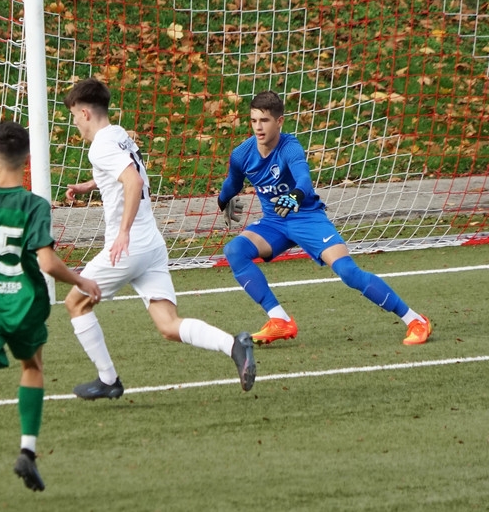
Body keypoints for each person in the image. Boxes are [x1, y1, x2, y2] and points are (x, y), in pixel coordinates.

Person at [62, 77, 256, 401]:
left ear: (84, 113)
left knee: (75, 302)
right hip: (151, 244)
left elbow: (133, 182)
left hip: (129, 246)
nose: (75, 125)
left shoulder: (101, 146)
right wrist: (88, 186)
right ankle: (234, 346)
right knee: (168, 325)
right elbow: (127, 171)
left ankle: (108, 379)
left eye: (73, 117)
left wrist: (123, 233)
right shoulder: (119, 135)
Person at [0, 121, 102, 492]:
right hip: (23, 305)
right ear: (27, 159)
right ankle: (27, 451)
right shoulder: (33, 205)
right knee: (32, 366)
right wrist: (81, 280)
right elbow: (47, 263)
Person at [217, 90, 432, 346]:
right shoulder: (242, 154)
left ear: (279, 121)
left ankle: (415, 320)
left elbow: (304, 180)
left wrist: (295, 196)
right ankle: (279, 320)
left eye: (264, 120)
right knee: (235, 250)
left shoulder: (290, 147)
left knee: (347, 272)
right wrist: (222, 201)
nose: (258, 127)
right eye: (254, 120)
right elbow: (232, 184)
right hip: (275, 222)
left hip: (307, 218)